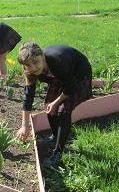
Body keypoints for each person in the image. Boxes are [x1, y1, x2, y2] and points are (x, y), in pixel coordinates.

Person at [15, 41, 92, 169]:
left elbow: (71, 86)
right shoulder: (30, 70)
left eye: (35, 62)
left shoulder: (58, 61)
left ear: (43, 56)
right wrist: (24, 126)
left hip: (78, 75)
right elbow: (28, 96)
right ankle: (55, 136)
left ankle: (58, 151)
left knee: (63, 111)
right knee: (48, 107)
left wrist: (56, 103)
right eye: (28, 65)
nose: (33, 68)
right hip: (58, 75)